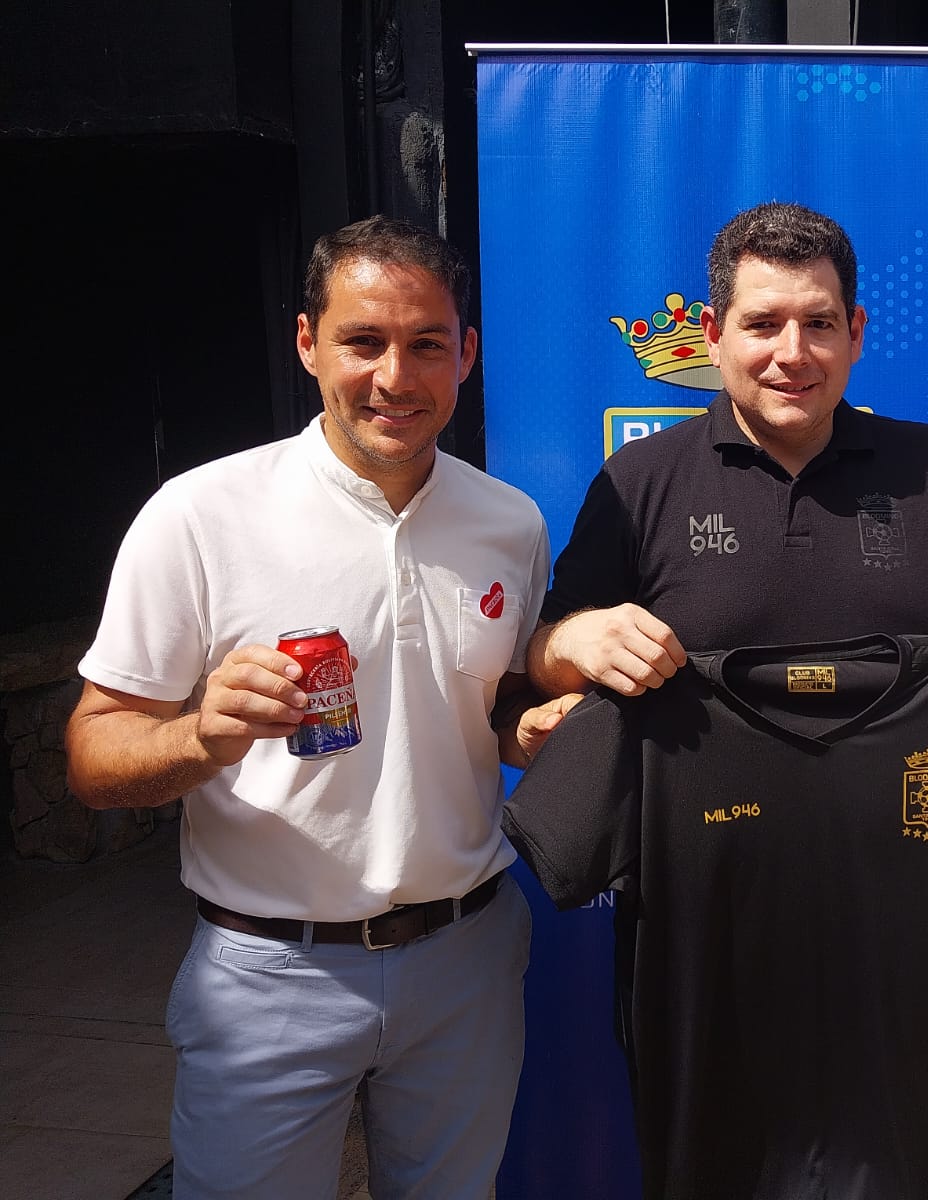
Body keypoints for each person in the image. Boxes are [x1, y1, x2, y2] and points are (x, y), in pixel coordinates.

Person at [64, 216, 571, 1199]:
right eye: (362, 341)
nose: (395, 377)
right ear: (308, 343)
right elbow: (91, 754)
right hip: (269, 977)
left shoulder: (509, 521)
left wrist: (533, 728)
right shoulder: (200, 515)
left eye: (427, 344)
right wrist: (200, 737)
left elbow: (489, 706)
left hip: (465, 959)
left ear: (466, 354)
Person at [526, 201, 928, 698]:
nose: (793, 353)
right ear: (713, 336)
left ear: (855, 333)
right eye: (762, 324)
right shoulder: (637, 480)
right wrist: (573, 641)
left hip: (912, 775)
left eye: (818, 324)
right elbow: (544, 658)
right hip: (705, 777)